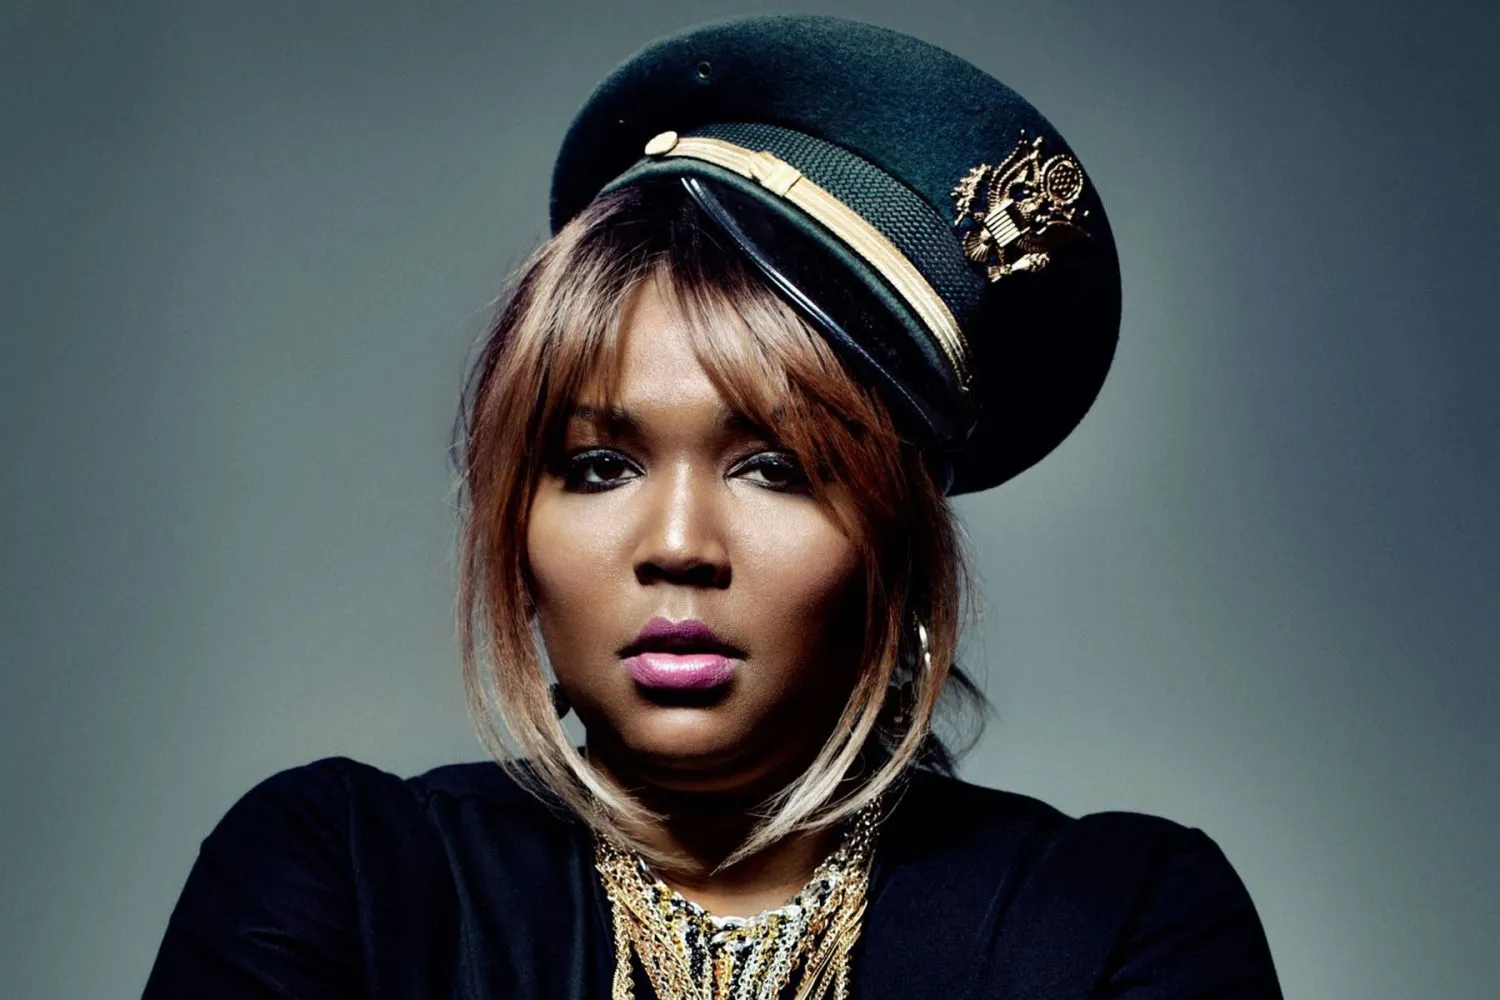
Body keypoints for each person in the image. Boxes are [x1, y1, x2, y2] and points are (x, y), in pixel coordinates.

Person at [143, 14, 1282, 1000]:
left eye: (777, 466)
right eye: (599, 466)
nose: (678, 546)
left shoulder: (1114, 920)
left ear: (897, 540)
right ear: (516, 526)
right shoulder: (338, 876)